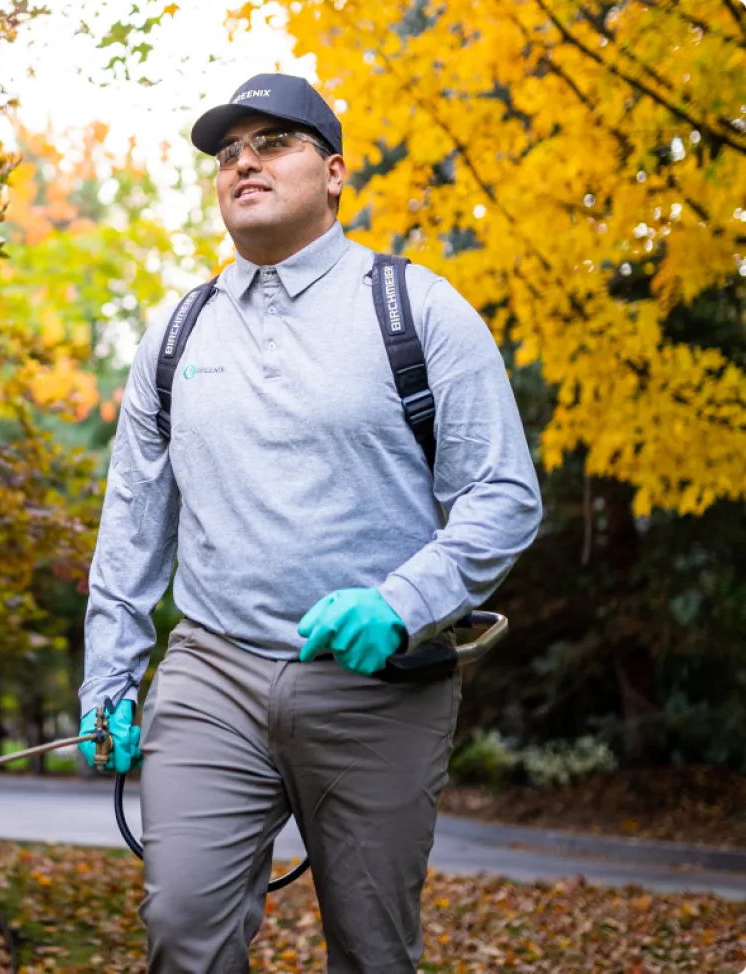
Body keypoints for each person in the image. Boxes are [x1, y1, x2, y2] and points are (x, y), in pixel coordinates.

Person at [78, 72, 543, 973]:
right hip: (212, 677)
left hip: (378, 688)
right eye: (227, 152)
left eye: (272, 143)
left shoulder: (417, 309)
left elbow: (503, 495)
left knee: (373, 952)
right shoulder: (177, 335)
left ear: (333, 173)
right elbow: (133, 528)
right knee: (183, 931)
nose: (243, 162)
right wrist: (110, 678)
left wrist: (402, 603)